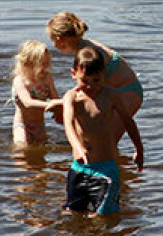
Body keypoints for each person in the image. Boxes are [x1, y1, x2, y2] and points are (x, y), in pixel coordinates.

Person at [58, 47, 144, 215]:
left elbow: (128, 122)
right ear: (74, 74)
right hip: (79, 169)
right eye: (85, 80)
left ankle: (107, 232)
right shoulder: (71, 97)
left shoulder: (111, 95)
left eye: (96, 80)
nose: (90, 85)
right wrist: (78, 147)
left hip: (105, 170)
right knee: (72, 214)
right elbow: (68, 124)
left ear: (104, 75)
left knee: (105, 216)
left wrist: (138, 149)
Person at [46, 12, 143, 143]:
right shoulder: (86, 46)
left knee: (107, 140)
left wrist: (61, 103)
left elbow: (86, 84)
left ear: (59, 38)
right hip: (118, 90)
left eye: (53, 40)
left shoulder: (88, 52)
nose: (53, 45)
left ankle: (124, 155)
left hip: (128, 92)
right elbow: (87, 84)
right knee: (98, 137)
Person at [11, 40, 63, 145]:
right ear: (27, 64)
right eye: (42, 64)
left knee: (41, 151)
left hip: (39, 126)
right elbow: (27, 102)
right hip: (22, 125)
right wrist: (50, 104)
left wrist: (59, 111)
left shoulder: (47, 78)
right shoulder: (19, 81)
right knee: (22, 148)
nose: (46, 67)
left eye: (47, 63)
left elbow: (55, 98)